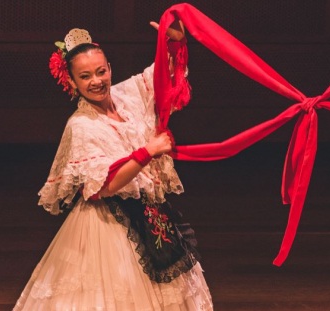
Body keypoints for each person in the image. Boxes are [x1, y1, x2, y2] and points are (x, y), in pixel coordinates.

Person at [14, 21, 213, 311]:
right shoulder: (80, 126)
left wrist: (175, 44)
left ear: (109, 68)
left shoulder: (124, 95)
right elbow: (106, 185)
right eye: (85, 76)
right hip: (107, 225)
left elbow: (160, 77)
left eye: (101, 71)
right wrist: (149, 151)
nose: (96, 80)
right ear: (71, 82)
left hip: (146, 215)